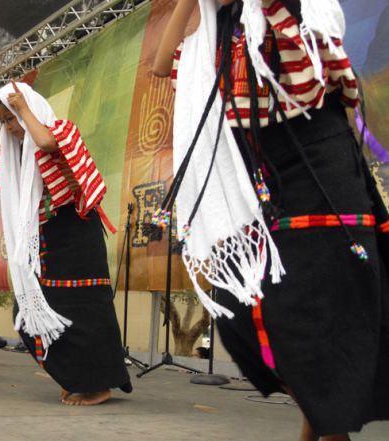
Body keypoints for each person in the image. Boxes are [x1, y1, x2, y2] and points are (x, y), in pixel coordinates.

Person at [153, 1, 389, 440]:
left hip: (318, 161)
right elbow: (162, 63)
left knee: (321, 304)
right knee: (240, 314)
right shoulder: (213, 31)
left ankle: (328, 428)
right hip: (259, 181)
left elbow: (315, 64)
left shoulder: (283, 7)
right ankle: (322, 420)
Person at [0, 81, 132, 405]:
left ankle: (98, 384)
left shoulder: (61, 130)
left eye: (11, 119)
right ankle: (77, 376)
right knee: (29, 310)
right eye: (7, 122)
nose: (11, 127)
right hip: (45, 238)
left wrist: (23, 110)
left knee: (85, 308)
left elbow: (47, 142)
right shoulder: (14, 157)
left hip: (76, 231)